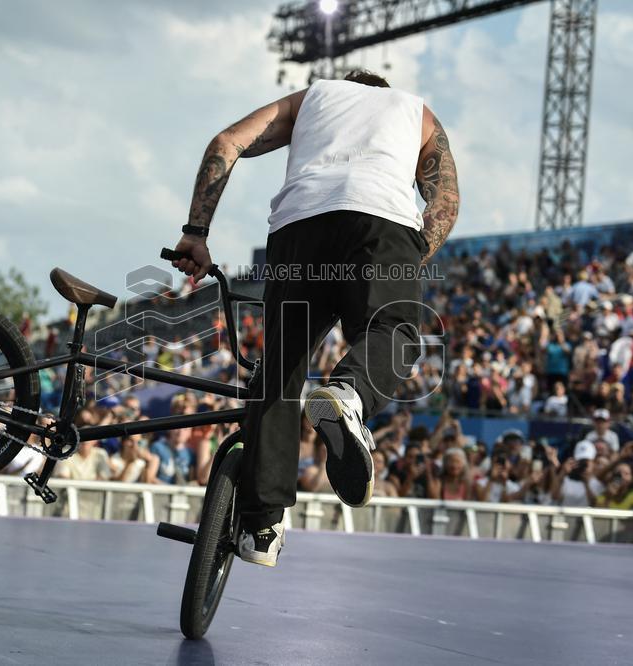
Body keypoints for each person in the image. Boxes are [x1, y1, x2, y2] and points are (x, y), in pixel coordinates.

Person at [168, 70, 459, 566]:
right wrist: (408, 260)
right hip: (380, 223)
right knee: (395, 332)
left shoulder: (314, 98)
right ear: (382, 93)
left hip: (299, 226)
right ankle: (350, 392)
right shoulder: (416, 113)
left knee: (280, 370)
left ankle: (262, 526)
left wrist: (196, 231)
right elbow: (445, 203)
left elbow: (227, 142)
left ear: (345, 87)